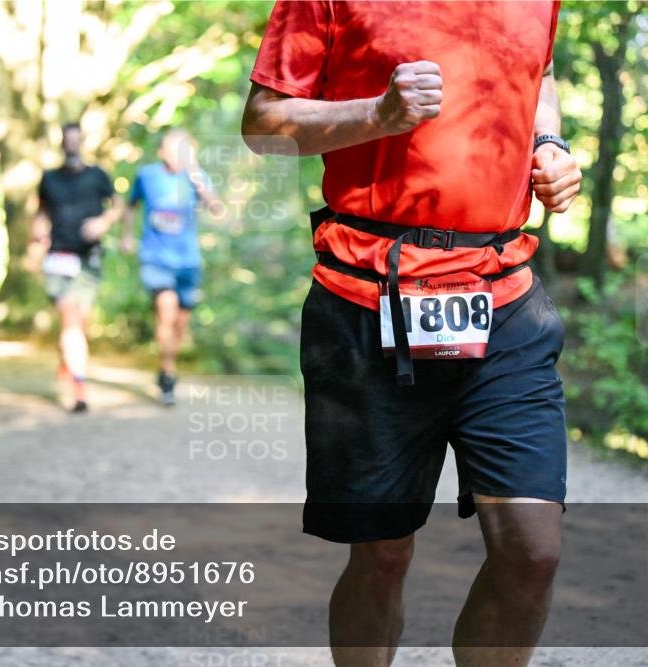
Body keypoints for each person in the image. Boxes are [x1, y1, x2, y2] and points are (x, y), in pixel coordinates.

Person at [241, 1, 582, 665]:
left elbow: (539, 74)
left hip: (504, 299)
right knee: (382, 553)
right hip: (367, 300)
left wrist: (550, 145)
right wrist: (378, 114)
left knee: (532, 552)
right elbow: (262, 124)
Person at [121, 128, 221, 405]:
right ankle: (167, 373)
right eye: (173, 149)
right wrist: (127, 236)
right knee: (166, 312)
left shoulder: (195, 177)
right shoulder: (147, 175)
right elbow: (130, 205)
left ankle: (168, 363)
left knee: (180, 322)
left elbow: (215, 207)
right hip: (156, 259)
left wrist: (195, 174)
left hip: (188, 261)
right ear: (161, 152)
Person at [32, 122, 122, 413]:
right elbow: (41, 211)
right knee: (70, 321)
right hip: (59, 256)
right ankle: (79, 390)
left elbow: (117, 207)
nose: (72, 145)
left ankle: (67, 359)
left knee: (79, 324)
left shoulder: (98, 176)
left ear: (82, 142)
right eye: (67, 140)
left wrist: (103, 222)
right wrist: (38, 232)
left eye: (76, 140)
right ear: (61, 143)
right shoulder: (49, 178)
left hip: (89, 259)